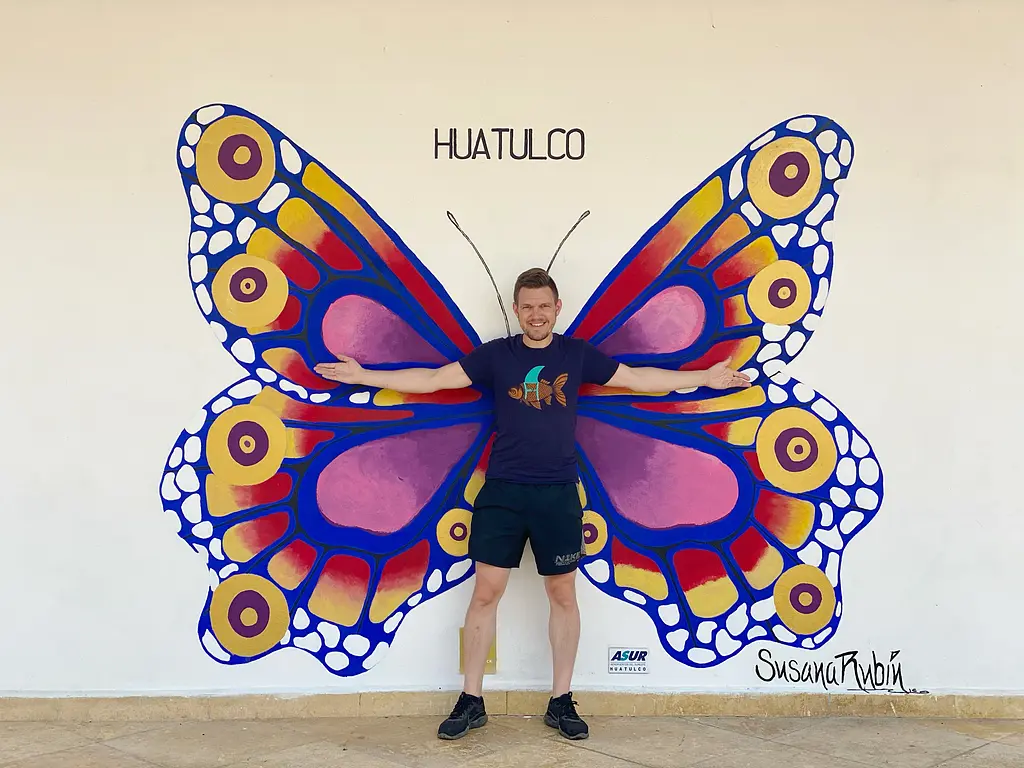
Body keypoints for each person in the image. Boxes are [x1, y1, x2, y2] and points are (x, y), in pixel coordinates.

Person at [314, 268, 750, 741]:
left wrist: (704, 376)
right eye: (528, 306)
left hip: (558, 493)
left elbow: (639, 378)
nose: (536, 314)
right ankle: (471, 699)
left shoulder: (576, 354)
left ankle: (561, 701)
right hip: (502, 492)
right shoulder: (497, 356)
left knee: (563, 594)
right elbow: (436, 379)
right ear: (517, 309)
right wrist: (364, 375)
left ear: (557, 308)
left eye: (544, 305)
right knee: (485, 594)